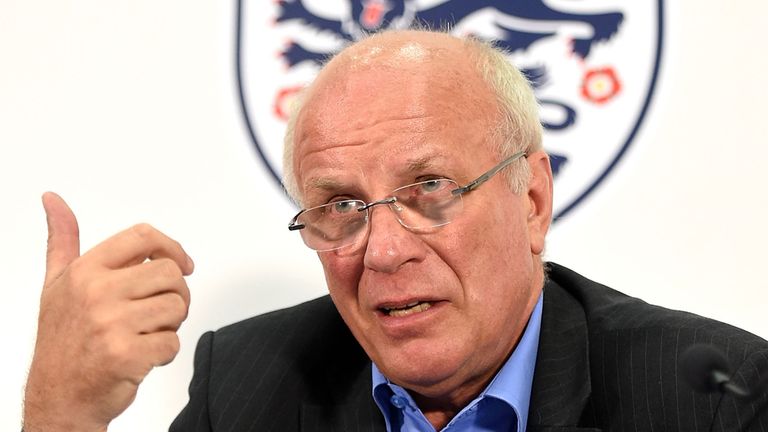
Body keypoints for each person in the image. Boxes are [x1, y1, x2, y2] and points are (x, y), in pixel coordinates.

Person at [23, 30, 768, 432]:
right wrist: (64, 414)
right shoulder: (247, 386)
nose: (382, 250)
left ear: (533, 202)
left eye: (430, 189)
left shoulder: (714, 400)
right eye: (341, 206)